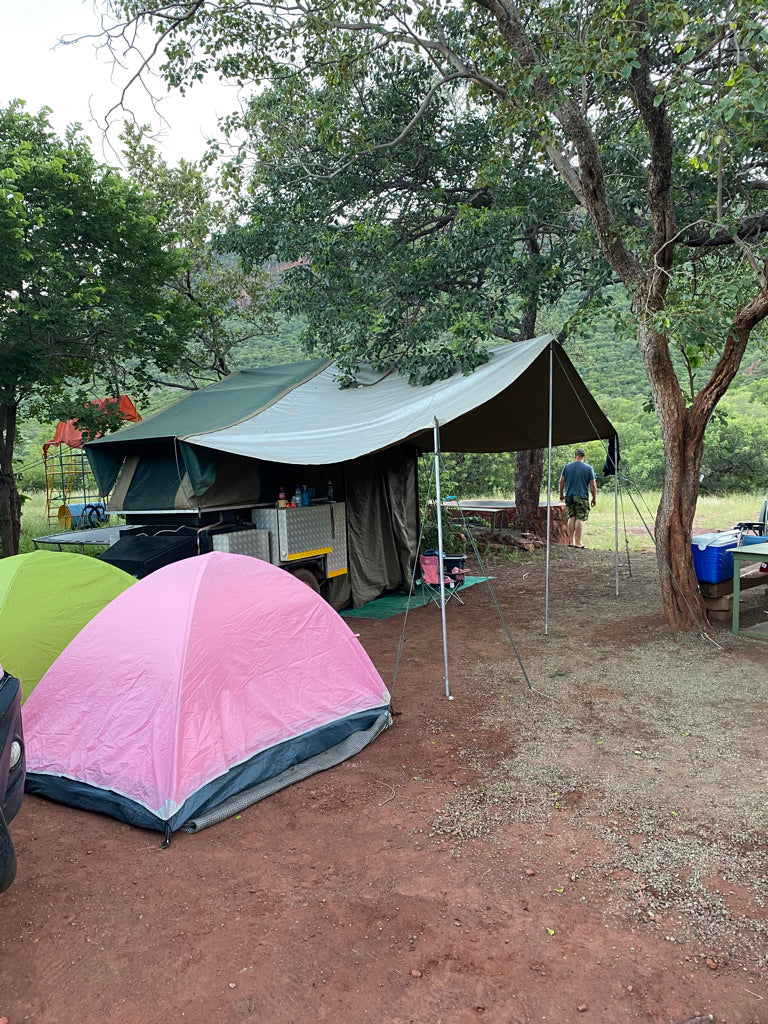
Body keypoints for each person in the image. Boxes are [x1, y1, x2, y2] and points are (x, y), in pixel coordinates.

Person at [559, 448, 597, 548]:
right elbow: (593, 485)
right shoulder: (588, 468)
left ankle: (571, 542)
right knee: (580, 518)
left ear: (575, 456)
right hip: (582, 496)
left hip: (569, 495)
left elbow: (561, 481)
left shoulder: (567, 467)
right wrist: (594, 498)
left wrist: (561, 494)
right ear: (583, 457)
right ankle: (579, 542)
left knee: (571, 517)